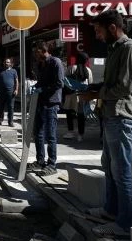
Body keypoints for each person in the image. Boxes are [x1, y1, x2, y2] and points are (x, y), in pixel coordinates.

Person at [82, 10, 132, 238]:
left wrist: (97, 94)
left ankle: (123, 225)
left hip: (123, 116)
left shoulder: (129, 48)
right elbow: (112, 82)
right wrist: (93, 88)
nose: (97, 36)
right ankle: (110, 211)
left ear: (112, 27)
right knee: (109, 165)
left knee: (122, 171)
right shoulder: (115, 48)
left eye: (99, 31)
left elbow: (124, 87)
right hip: (111, 115)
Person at [29, 41, 64, 176]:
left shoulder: (55, 62)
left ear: (43, 50)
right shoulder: (40, 64)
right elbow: (41, 82)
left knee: (50, 135)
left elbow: (59, 83)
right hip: (40, 102)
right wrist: (35, 86)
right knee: (38, 133)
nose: (35, 55)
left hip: (51, 103)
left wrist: (43, 89)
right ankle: (40, 160)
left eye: (36, 52)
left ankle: (52, 164)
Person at [62, 52, 93, 142]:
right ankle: (80, 135)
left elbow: (65, 81)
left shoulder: (71, 68)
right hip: (82, 95)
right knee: (81, 115)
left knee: (70, 114)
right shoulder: (88, 70)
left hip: (71, 95)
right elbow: (90, 83)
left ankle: (70, 132)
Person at [0, 58, 19, 126]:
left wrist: (16, 89)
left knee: (11, 107)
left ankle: (10, 122)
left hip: (11, 92)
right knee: (1, 107)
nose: (6, 63)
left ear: (10, 64)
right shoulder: (0, 71)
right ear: (3, 63)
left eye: (8, 62)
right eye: (5, 62)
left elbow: (17, 81)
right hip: (1, 92)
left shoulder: (13, 71)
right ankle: (0, 120)